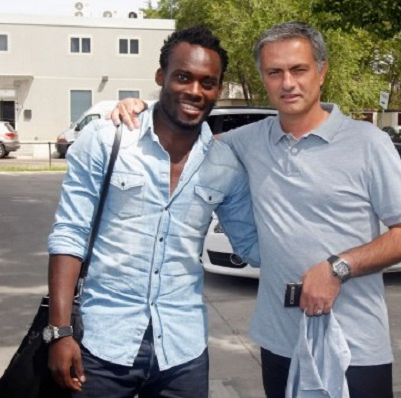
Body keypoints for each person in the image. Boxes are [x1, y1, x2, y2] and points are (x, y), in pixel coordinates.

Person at [113, 21, 401, 398]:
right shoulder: (246, 141)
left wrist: (337, 268)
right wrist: (139, 110)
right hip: (280, 344)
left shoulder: (367, 143)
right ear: (263, 78)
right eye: (275, 72)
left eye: (299, 69)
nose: (287, 83)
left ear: (322, 72)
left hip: (355, 348)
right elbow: (182, 130)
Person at [47, 26, 259, 398]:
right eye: (183, 77)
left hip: (182, 351)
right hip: (100, 344)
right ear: (161, 77)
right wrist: (60, 332)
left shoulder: (225, 165)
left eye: (208, 82)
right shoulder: (107, 139)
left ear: (218, 90)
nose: (195, 91)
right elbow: (70, 234)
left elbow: (253, 245)